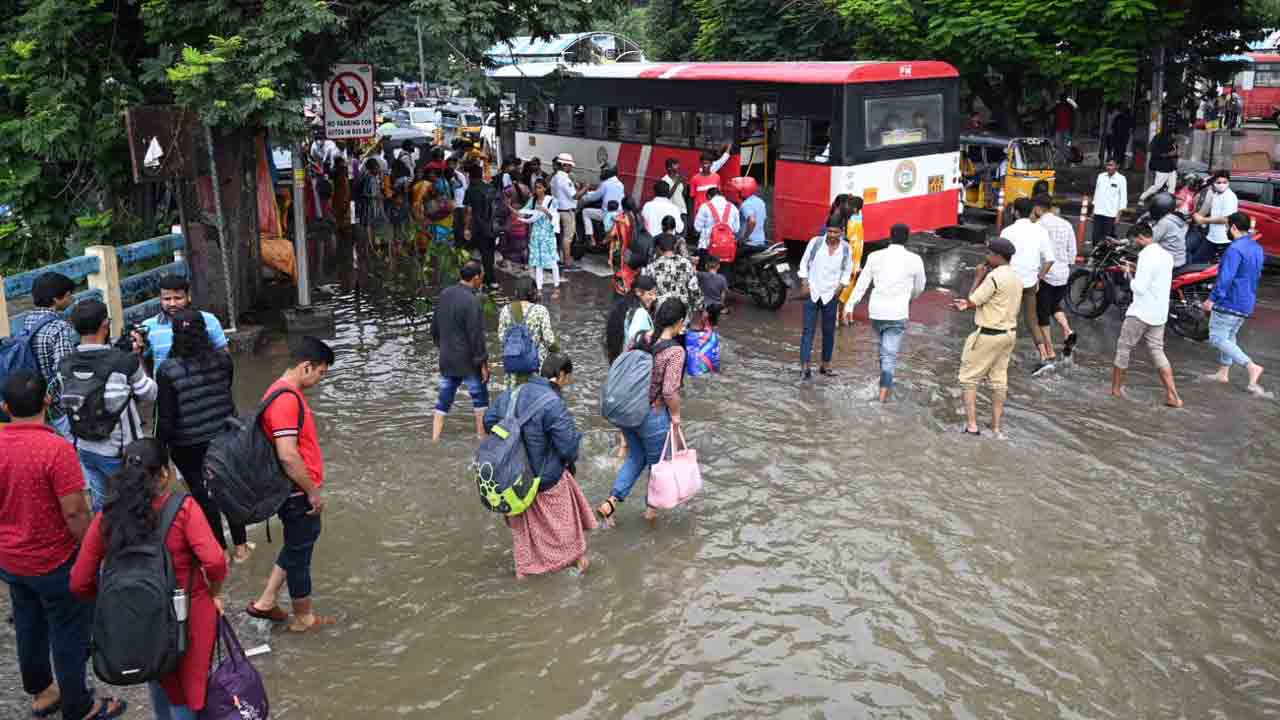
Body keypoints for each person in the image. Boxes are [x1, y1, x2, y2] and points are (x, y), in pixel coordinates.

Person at [71, 438, 227, 720]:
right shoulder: (183, 509)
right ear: (164, 474)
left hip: (139, 615)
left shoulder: (108, 516)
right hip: (188, 611)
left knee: (158, 675)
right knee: (190, 694)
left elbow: (79, 579)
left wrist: (111, 603)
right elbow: (215, 561)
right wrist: (214, 591)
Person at [0, 370, 117, 720]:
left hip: (10, 560)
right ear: (48, 402)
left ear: (5, 407)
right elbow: (76, 513)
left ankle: (42, 693)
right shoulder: (56, 449)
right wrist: (94, 554)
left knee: (28, 622)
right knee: (68, 632)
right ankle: (79, 705)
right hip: (54, 561)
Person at [246, 336, 337, 633]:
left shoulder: (276, 391)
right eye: (321, 373)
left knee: (296, 545)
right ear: (306, 366)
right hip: (296, 491)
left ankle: (266, 601)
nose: (320, 379)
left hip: (288, 489)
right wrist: (312, 491)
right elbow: (287, 454)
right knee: (301, 555)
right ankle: (303, 618)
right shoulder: (286, 399)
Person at [484, 353, 596, 578]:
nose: (569, 383)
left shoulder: (512, 394)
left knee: (524, 546)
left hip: (513, 482)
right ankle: (576, 572)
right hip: (545, 481)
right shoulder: (554, 404)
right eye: (569, 378)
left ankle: (524, 580)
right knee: (573, 546)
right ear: (561, 375)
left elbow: (488, 421)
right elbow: (568, 450)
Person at [155, 309, 250, 562]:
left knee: (203, 493)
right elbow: (225, 391)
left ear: (175, 335)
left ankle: (220, 550)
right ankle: (241, 547)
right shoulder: (223, 360)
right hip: (225, 436)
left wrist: (159, 451)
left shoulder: (167, 370)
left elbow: (166, 418)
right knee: (228, 487)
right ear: (205, 332)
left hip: (188, 445)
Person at [597, 297, 689, 525]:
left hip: (628, 411)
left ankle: (610, 503)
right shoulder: (675, 351)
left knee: (636, 457)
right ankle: (650, 515)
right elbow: (669, 391)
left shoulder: (641, 337)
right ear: (678, 323)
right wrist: (676, 417)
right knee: (658, 467)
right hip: (653, 415)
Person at [62, 298, 157, 512]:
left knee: (102, 507)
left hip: (85, 447)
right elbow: (150, 393)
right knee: (135, 507)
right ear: (105, 324)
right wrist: (138, 357)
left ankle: (105, 541)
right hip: (120, 451)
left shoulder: (66, 363)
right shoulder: (123, 361)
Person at [841, 223, 926, 402]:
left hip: (877, 312)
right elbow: (920, 287)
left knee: (883, 350)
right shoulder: (915, 260)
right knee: (889, 355)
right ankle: (882, 398)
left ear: (890, 236)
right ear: (907, 239)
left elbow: (862, 284)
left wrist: (849, 305)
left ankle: (883, 383)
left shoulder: (874, 256)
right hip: (897, 313)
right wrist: (910, 297)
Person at [951, 238, 1022, 436]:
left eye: (989, 254)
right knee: (999, 381)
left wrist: (978, 277)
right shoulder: (1017, 277)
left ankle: (972, 426)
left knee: (969, 379)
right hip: (1008, 335)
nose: (987, 257)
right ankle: (996, 427)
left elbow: (973, 299)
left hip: (989, 334)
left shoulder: (993, 277)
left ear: (998, 257)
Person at [1109, 224, 1183, 408]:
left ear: (1141, 237)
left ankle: (1116, 390)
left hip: (1141, 312)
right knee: (1157, 351)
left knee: (1123, 347)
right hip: (1159, 313)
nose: (1134, 244)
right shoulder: (1166, 255)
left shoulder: (1145, 256)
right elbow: (1155, 278)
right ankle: (1173, 396)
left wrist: (1128, 275)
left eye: (1134, 240)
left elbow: (1139, 288)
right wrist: (1136, 268)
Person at [1204, 213, 1265, 393]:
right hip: (1247, 300)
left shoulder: (1234, 249)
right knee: (1229, 336)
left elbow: (1226, 278)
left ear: (1233, 228)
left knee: (1217, 337)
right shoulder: (1257, 248)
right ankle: (1223, 373)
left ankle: (1251, 366)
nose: (1226, 231)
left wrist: (1212, 299)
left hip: (1230, 300)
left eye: (1226, 227)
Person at [431, 261, 490, 440]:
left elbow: (434, 329)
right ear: (476, 278)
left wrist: (444, 348)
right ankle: (483, 440)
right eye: (482, 277)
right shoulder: (473, 300)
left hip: (447, 358)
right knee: (480, 400)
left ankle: (434, 439)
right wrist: (483, 363)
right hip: (468, 361)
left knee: (443, 401)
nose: (482, 281)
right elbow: (476, 336)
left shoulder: (445, 294)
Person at [23, 272, 80, 439]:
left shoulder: (28, 320)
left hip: (35, 401)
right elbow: (65, 370)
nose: (73, 298)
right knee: (73, 447)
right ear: (56, 299)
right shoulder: (59, 327)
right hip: (56, 406)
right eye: (69, 295)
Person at [1001, 197, 1055, 374]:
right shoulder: (1040, 231)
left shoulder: (1008, 231)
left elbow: (999, 259)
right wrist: (1039, 278)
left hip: (1010, 281)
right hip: (1030, 282)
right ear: (1032, 211)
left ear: (1015, 212)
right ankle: (1044, 357)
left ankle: (1002, 357)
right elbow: (1049, 260)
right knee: (1032, 320)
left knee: (1007, 319)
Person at [797, 215, 854, 380]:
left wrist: (840, 287)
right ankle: (805, 366)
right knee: (808, 330)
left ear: (842, 232)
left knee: (829, 331)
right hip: (813, 293)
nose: (832, 235)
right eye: (829, 231)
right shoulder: (815, 243)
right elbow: (803, 263)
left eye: (835, 232)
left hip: (831, 294)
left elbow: (847, 270)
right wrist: (805, 282)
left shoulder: (846, 249)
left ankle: (825, 364)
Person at [142, 275, 230, 369]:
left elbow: (224, 355)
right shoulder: (148, 326)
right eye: (167, 299)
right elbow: (139, 360)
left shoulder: (209, 320)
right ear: (160, 299)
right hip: (164, 383)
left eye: (178, 298)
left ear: (188, 297)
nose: (172, 304)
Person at [1031, 195, 1078, 363]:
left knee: (1042, 314)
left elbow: (1035, 253)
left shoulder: (1038, 226)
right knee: (1055, 306)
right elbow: (1072, 253)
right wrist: (1065, 264)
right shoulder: (1066, 224)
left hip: (1046, 275)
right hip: (1063, 274)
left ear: (1037, 208)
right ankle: (1067, 330)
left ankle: (1050, 351)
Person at [497, 277, 558, 390]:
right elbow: (549, 339)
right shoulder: (540, 310)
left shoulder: (506, 310)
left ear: (516, 292)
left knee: (513, 397)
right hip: (535, 364)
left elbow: (501, 337)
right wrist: (557, 352)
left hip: (513, 362)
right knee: (534, 399)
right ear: (533, 292)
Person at [642, 232, 704, 326]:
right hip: (682, 314)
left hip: (661, 313)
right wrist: (701, 308)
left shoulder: (652, 267)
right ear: (675, 246)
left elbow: (646, 292)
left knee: (662, 338)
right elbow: (694, 289)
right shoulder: (686, 263)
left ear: (658, 248)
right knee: (681, 338)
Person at [520, 177, 562, 298]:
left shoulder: (552, 201)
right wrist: (518, 213)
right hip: (536, 235)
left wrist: (545, 211)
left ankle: (556, 287)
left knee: (553, 262)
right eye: (536, 187)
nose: (537, 190)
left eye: (539, 187)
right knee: (537, 263)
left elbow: (554, 218)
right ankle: (539, 289)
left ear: (545, 188)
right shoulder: (532, 201)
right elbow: (524, 212)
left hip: (548, 235)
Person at [605, 276, 660, 365]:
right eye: (650, 294)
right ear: (638, 292)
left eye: (655, 294)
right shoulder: (640, 314)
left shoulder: (623, 306)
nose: (654, 298)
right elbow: (636, 343)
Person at [463, 162, 500, 288]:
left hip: (478, 227)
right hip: (492, 226)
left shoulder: (471, 190)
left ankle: (481, 279)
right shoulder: (490, 188)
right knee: (489, 253)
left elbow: (468, 211)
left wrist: (466, 228)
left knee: (475, 255)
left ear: (471, 176)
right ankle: (492, 280)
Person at [1192, 170, 1238, 264]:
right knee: (1197, 262)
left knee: (1219, 267)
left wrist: (1203, 220)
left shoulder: (1229, 196)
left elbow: (1226, 219)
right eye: (1218, 182)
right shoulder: (1216, 194)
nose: (1222, 185)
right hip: (1212, 237)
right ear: (1214, 183)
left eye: (1225, 182)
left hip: (1223, 240)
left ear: (1228, 183)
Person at [550, 153, 586, 270]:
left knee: (559, 237)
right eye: (570, 165)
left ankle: (559, 259)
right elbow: (575, 196)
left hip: (557, 210)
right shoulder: (564, 179)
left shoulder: (555, 177)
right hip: (566, 212)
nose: (571, 168)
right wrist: (585, 188)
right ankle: (567, 261)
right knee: (568, 237)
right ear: (565, 165)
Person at [581, 164, 626, 250]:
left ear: (608, 172)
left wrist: (584, 197)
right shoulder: (621, 184)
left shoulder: (606, 184)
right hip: (619, 214)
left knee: (585, 212)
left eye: (603, 171)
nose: (601, 173)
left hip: (606, 214)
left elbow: (594, 197)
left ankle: (590, 237)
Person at [692, 187, 740, 263]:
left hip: (707, 247)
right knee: (725, 273)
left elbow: (697, 228)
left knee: (707, 272)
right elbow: (736, 229)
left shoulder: (704, 207)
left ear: (709, 196)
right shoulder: (733, 207)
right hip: (727, 248)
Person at [689, 143, 733, 222]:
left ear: (712, 164)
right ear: (701, 163)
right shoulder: (695, 178)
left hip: (714, 214)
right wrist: (692, 217)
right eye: (703, 163)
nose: (705, 166)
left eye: (707, 163)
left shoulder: (717, 177)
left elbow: (719, 195)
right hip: (700, 214)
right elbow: (692, 199)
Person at [607, 196, 641, 294]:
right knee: (633, 276)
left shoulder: (621, 218)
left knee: (621, 279)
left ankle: (623, 295)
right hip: (637, 252)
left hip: (623, 253)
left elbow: (612, 234)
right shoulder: (639, 217)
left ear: (623, 206)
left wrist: (604, 240)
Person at [1091, 159, 1127, 248]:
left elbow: (1123, 199)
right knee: (1095, 237)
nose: (1109, 167)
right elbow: (1097, 194)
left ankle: (1105, 260)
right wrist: (1093, 210)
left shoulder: (1121, 179)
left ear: (1117, 166)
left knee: (1107, 240)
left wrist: (1118, 215)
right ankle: (1094, 258)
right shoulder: (1101, 176)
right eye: (1107, 165)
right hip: (1098, 212)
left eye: (1111, 165)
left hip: (1111, 215)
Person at [1147, 191, 1187, 269]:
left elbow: (1149, 240)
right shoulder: (1174, 218)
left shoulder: (1165, 222)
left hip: (1171, 262)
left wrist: (1130, 242)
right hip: (1179, 259)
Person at [1140, 127, 1179, 203]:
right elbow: (1157, 153)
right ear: (1172, 134)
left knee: (1172, 187)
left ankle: (1168, 203)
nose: (1176, 137)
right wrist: (1169, 154)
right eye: (1175, 135)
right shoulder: (1161, 141)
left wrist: (1175, 154)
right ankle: (1142, 198)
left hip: (1171, 168)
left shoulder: (1172, 142)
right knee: (1157, 186)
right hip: (1162, 168)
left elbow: (1174, 154)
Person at [734, 176, 769, 255]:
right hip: (761, 241)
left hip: (749, 244)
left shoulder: (746, 205)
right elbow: (764, 220)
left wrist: (744, 239)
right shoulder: (761, 202)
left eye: (739, 190)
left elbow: (752, 221)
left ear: (743, 191)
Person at [697, 256, 728, 327]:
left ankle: (702, 330)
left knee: (702, 325)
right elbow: (723, 294)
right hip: (716, 306)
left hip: (704, 305)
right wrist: (722, 305)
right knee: (713, 324)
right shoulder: (722, 278)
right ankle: (713, 330)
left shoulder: (702, 275)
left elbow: (692, 271)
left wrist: (695, 263)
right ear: (718, 266)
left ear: (706, 266)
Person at [661, 158, 690, 230]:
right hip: (670, 210)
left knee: (683, 233)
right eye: (675, 165)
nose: (677, 166)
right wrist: (676, 183)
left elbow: (684, 195)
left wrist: (684, 184)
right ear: (669, 168)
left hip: (682, 210)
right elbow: (667, 196)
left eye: (677, 164)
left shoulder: (679, 178)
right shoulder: (664, 179)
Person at [1052, 94, 1075, 164]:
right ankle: (1061, 159)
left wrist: (1072, 128)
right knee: (1059, 145)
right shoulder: (1057, 106)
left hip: (1066, 129)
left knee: (1066, 145)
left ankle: (1066, 159)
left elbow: (1073, 117)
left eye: (1063, 98)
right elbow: (1053, 116)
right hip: (1059, 129)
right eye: (1062, 98)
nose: (1063, 100)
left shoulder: (1069, 107)